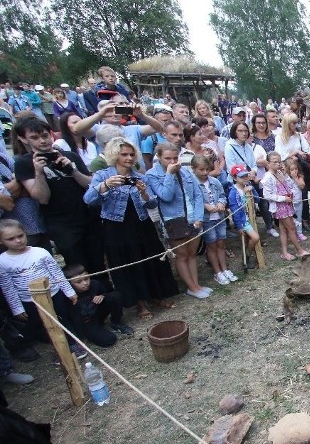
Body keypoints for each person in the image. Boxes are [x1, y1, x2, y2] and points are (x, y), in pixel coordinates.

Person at [83, 137, 179, 318]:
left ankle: (157, 295)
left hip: (141, 224)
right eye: (124, 154)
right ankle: (140, 303)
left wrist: (143, 193)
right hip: (116, 227)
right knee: (126, 264)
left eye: (131, 154)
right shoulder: (103, 175)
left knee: (151, 259)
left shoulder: (139, 176)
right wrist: (105, 185)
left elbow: (151, 204)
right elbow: (88, 200)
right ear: (114, 155)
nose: (128, 158)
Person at [13, 116, 104, 275]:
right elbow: (42, 197)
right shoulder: (23, 163)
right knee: (78, 268)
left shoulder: (70, 155)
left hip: (87, 217)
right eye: (34, 138)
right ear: (23, 139)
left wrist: (73, 170)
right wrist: (39, 172)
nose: (42, 141)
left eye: (45, 135)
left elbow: (89, 184)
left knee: (98, 262)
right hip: (61, 225)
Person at [0, 219, 87, 360]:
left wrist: (69, 291)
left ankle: (73, 344)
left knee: (63, 319)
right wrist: (17, 308)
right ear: (1, 241)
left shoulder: (40, 252)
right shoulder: (3, 261)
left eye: (20, 236)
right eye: (11, 239)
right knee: (45, 326)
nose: (18, 241)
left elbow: (57, 274)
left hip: (54, 294)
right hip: (30, 300)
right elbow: (7, 287)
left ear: (25, 233)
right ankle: (58, 351)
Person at [144, 143, 209, 300]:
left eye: (175, 158)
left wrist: (199, 217)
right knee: (182, 254)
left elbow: (197, 195)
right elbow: (166, 196)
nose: (172, 161)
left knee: (192, 253)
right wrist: (169, 174)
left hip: (193, 216)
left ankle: (196, 285)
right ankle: (191, 286)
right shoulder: (152, 175)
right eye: (167, 158)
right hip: (173, 219)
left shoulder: (186, 171)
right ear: (159, 157)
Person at [191, 153, 237, 286]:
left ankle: (225, 269)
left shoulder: (214, 182)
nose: (205, 172)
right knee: (211, 245)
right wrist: (206, 206)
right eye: (201, 169)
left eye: (207, 169)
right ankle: (217, 272)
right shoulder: (193, 184)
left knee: (221, 243)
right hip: (206, 220)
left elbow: (222, 196)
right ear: (194, 169)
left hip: (220, 218)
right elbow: (192, 200)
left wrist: (222, 203)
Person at [64, 264, 132, 348]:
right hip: (86, 322)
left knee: (115, 296)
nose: (85, 283)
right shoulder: (67, 296)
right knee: (109, 340)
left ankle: (116, 322)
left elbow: (107, 294)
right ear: (69, 283)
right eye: (78, 282)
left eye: (86, 278)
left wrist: (102, 296)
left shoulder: (95, 284)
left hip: (98, 312)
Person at [267, 155, 309, 261]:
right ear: (268, 163)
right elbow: (268, 195)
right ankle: (299, 250)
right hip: (280, 206)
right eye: (274, 162)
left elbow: (289, 184)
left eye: (279, 162)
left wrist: (290, 193)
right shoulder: (268, 177)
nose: (278, 164)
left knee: (283, 230)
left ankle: (285, 253)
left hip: (288, 204)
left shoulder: (280, 173)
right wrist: (283, 198)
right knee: (291, 228)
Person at [228, 165, 260, 268]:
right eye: (242, 177)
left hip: (251, 217)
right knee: (255, 238)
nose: (245, 178)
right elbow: (235, 211)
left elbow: (257, 200)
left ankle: (247, 258)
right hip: (243, 220)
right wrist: (239, 226)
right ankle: (247, 257)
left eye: (246, 175)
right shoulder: (233, 192)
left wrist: (253, 190)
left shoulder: (249, 186)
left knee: (248, 239)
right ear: (234, 178)